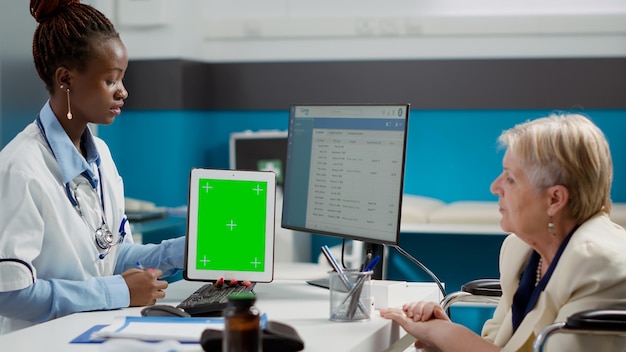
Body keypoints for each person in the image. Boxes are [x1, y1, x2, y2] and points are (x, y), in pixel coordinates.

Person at [0, 0, 247, 335]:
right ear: (66, 79)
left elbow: (112, 255)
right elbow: (10, 293)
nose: (123, 92)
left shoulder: (99, 154)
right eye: (110, 81)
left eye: (123, 78)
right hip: (40, 340)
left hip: (94, 331)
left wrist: (188, 252)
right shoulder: (21, 168)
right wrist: (117, 291)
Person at [380, 114, 626, 351]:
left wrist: (446, 335)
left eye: (510, 178)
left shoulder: (598, 265)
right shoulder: (519, 249)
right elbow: (497, 345)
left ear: (555, 199)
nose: (495, 186)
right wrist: (443, 340)